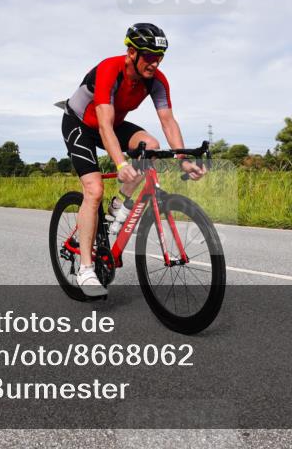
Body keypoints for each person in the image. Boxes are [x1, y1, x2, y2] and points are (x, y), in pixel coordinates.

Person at [61, 23, 205, 296]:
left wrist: (183, 159)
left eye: (159, 57)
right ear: (131, 53)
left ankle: (118, 204)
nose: (155, 63)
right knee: (94, 190)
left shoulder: (157, 80)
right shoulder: (109, 70)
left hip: (112, 124)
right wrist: (121, 164)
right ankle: (86, 269)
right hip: (80, 125)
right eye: (149, 56)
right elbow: (104, 124)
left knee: (151, 147)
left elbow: (168, 121)